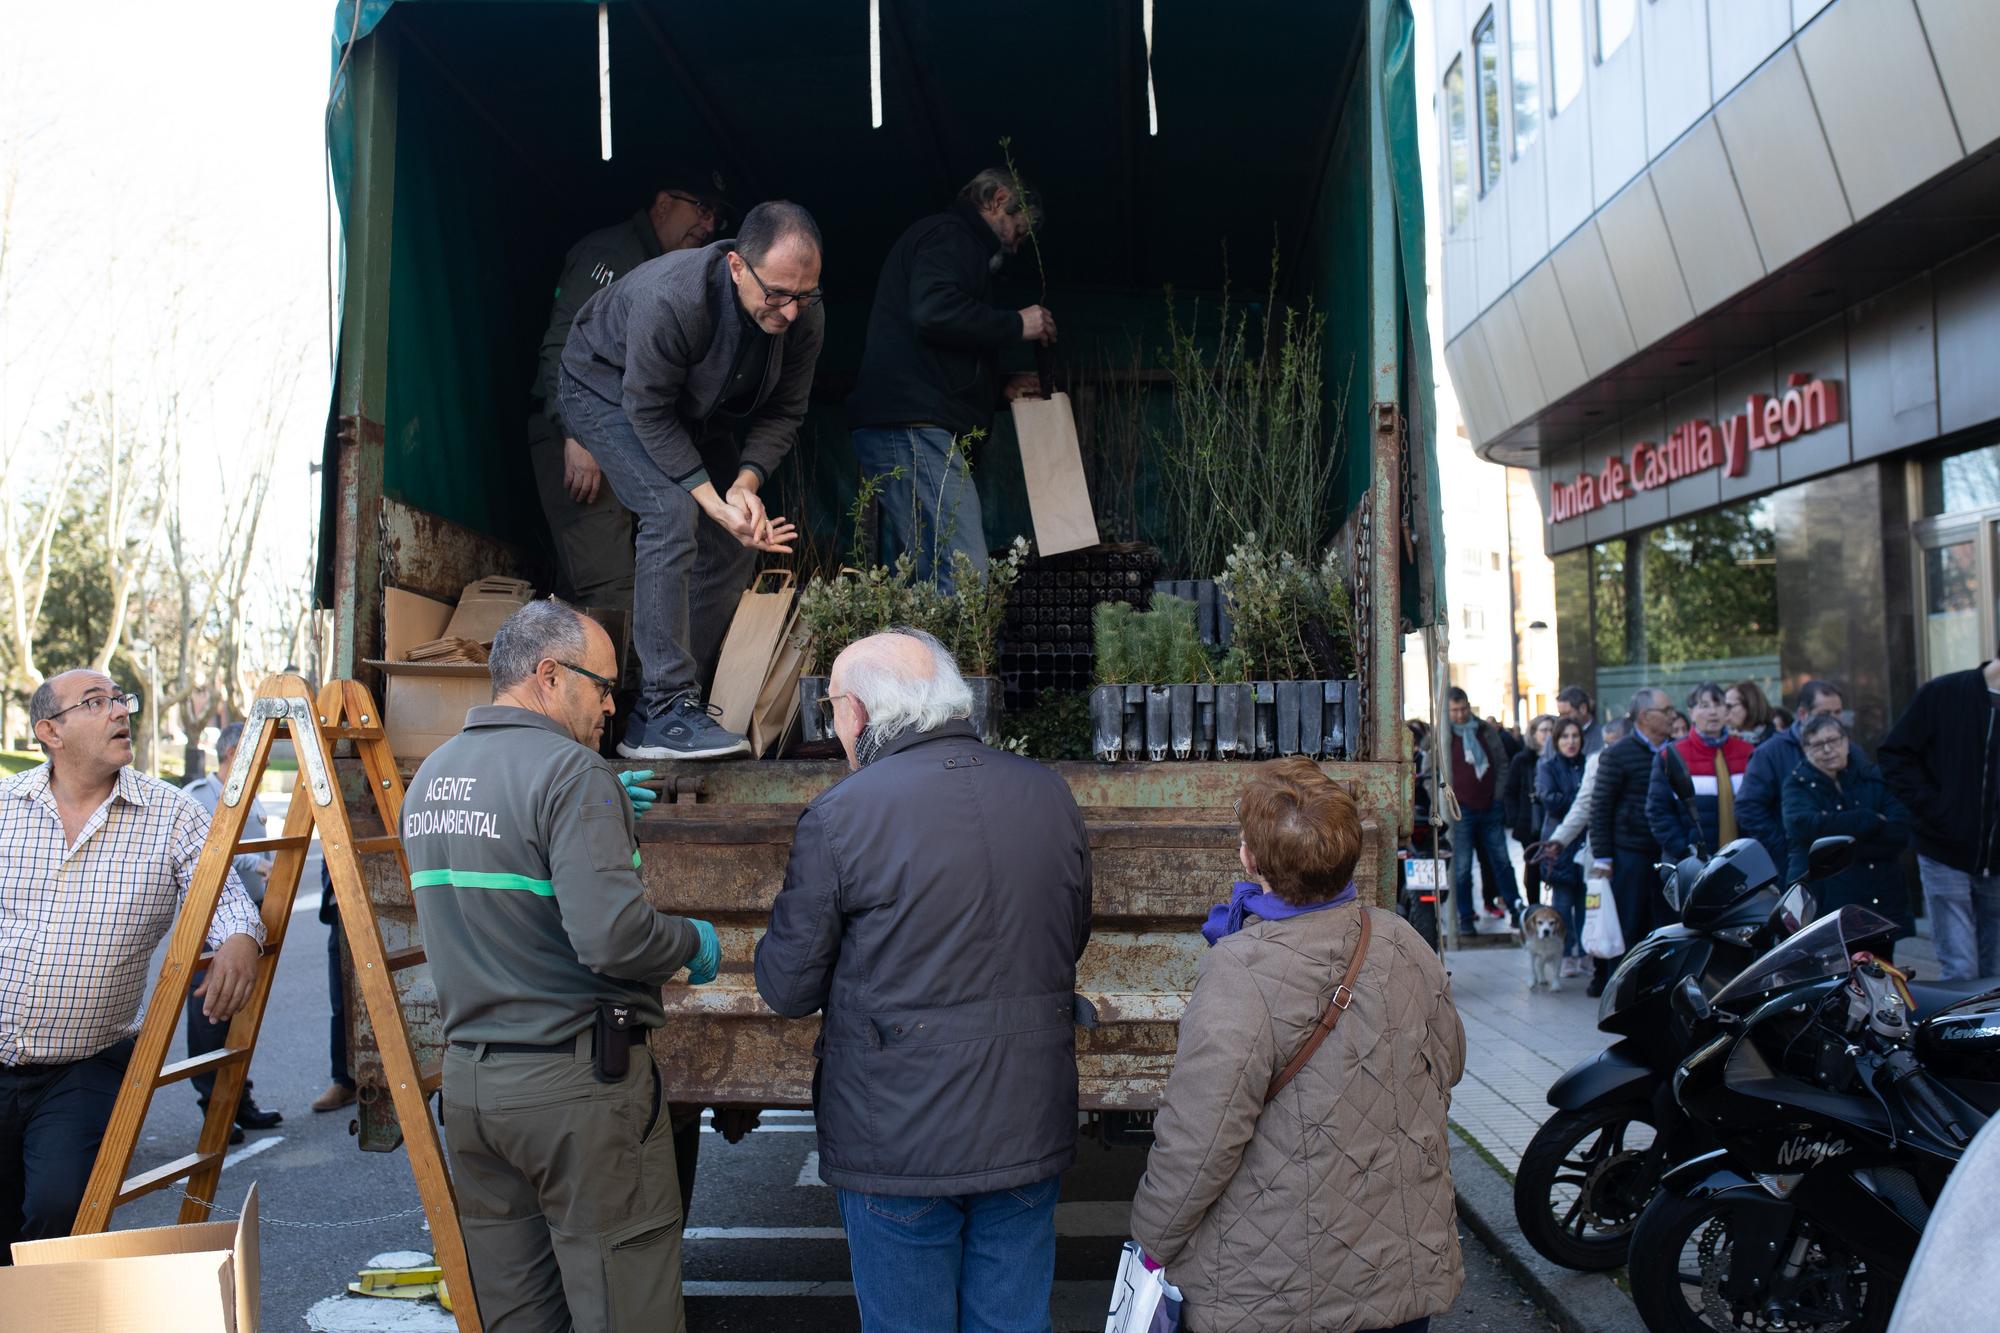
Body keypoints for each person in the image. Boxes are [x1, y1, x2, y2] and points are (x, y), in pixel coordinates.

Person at [755, 630, 1091, 1331]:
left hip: (896, 1140)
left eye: (834, 704)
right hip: (1025, 1120)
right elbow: (1071, 934)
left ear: (862, 713)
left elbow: (787, 987)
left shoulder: (842, 815)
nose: (835, 721)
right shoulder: (1049, 793)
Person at [403, 601, 720, 1330]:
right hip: (574, 1092)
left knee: (518, 1314)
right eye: (602, 684)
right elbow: (614, 938)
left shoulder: (431, 779)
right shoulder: (572, 775)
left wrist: (603, 796)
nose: (612, 703)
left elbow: (513, 877)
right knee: (625, 1306)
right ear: (549, 676)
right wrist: (691, 942)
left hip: (474, 1092)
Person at [1130, 757, 1465, 1332]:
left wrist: (1149, 1241)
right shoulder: (1401, 938)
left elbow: (1200, 1142)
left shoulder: (1240, 969)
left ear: (1250, 858)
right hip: (1398, 1271)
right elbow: (1450, 1065)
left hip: (1276, 1289)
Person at [0, 670, 264, 1249]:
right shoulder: (6, 807)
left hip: (85, 1064)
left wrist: (240, 940)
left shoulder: (171, 814)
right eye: (96, 703)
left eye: (121, 699)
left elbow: (228, 899)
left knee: (57, 1211)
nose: (120, 711)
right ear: (50, 732)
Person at [559, 200, 823, 761]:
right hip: (605, 388)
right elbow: (647, 409)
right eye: (777, 293)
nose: (791, 311)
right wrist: (709, 499)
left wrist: (744, 487)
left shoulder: (803, 314)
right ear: (735, 266)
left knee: (731, 539)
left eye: (803, 295)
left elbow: (784, 413)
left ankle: (684, 703)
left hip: (690, 412)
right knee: (669, 510)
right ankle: (659, 709)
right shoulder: (675, 295)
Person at [847, 169, 1055, 591]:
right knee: (960, 571)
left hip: (909, 422)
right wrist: (1018, 324)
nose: (1017, 243)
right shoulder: (952, 236)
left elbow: (940, 349)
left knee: (933, 569)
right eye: (1020, 227)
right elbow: (933, 311)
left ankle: (932, 655)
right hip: (910, 425)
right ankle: (954, 657)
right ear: (997, 199)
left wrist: (1000, 386)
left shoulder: (956, 244)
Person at [529, 181, 732, 609]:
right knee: (611, 589)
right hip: (582, 441)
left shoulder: (681, 274)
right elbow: (561, 348)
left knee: (641, 584)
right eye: (701, 207)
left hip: (629, 446)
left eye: (716, 214)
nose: (709, 223)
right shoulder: (611, 254)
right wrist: (576, 435)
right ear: (662, 204)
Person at [179, 721, 283, 1142]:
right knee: (212, 1014)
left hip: (250, 919)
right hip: (212, 921)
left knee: (241, 1012)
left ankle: (240, 1101)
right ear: (232, 752)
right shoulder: (197, 798)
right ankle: (213, 1109)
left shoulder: (250, 793)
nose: (265, 762)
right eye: (256, 752)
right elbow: (203, 857)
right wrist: (254, 865)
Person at [1879, 656, 2000, 981]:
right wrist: (1936, 811)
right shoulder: (1944, 693)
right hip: (1944, 850)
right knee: (1961, 969)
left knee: (1996, 973)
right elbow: (1895, 755)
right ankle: (1960, 1031)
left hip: (1997, 862)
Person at [1783, 713, 1912, 957]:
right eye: (1818, 744)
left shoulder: (1872, 777)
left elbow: (1899, 830)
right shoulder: (1796, 785)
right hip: (1828, 905)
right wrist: (1868, 820)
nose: (1829, 749)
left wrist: (1846, 843)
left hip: (1879, 900)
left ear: (1846, 741)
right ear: (1805, 749)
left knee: (1880, 974)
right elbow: (1804, 826)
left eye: (1834, 740)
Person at [1588, 689, 1673, 996]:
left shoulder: (1674, 751)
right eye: (1666, 710)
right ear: (1645, 716)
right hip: (1629, 854)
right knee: (1626, 927)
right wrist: (1604, 858)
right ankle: (1620, 993)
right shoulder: (1618, 753)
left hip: (1666, 852)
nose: (1672, 716)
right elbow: (1600, 808)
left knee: (1663, 925)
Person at [1738, 679, 1850, 872]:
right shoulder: (1770, 753)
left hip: (1844, 864)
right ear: (1802, 714)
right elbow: (1748, 808)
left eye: (1838, 712)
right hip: (1796, 866)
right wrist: (1784, 849)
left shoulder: (1849, 749)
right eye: (1825, 714)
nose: (1834, 720)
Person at [1647, 682, 1755, 861]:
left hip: (1743, 859)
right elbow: (1658, 811)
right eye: (1704, 706)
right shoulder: (1670, 755)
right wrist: (1684, 851)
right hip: (1689, 861)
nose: (1713, 712)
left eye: (1719, 705)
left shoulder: (1748, 752)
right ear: (1691, 713)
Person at [1444, 688, 1522, 932]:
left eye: (1463, 708)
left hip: (1490, 806)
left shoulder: (1484, 731)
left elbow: (1501, 764)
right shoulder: (1443, 735)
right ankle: (1466, 916)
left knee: (1502, 861)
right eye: (1455, 710)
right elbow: (1431, 770)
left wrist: (1497, 798)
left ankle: (1515, 908)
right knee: (1462, 866)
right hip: (1460, 810)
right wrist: (1446, 800)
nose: (1460, 714)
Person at [1537, 717, 1590, 977]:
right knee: (1562, 904)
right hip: (1559, 844)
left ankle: (1584, 952)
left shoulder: (1589, 764)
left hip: (1585, 843)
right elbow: (1551, 800)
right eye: (1565, 737)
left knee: (1586, 903)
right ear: (1557, 741)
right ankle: (1566, 953)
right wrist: (1583, 798)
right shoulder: (1548, 767)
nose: (1571, 742)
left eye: (1575, 736)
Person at [1503, 714, 1553, 905]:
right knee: (1533, 866)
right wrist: (1516, 819)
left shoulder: (1559, 755)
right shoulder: (1522, 759)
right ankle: (1534, 908)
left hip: (1553, 821)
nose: (1547, 734)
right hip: (1530, 823)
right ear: (1534, 733)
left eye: (1551, 730)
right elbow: (1510, 791)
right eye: (1543, 730)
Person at [1726, 680, 1777, 748]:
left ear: (1750, 705)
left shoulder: (1775, 742)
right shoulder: (1724, 739)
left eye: (1729, 706)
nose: (1724, 711)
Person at [1556, 685, 1604, 756]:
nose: (1563, 718)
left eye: (1567, 714)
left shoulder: (1603, 736)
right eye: (1560, 714)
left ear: (1583, 709)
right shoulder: (1554, 737)